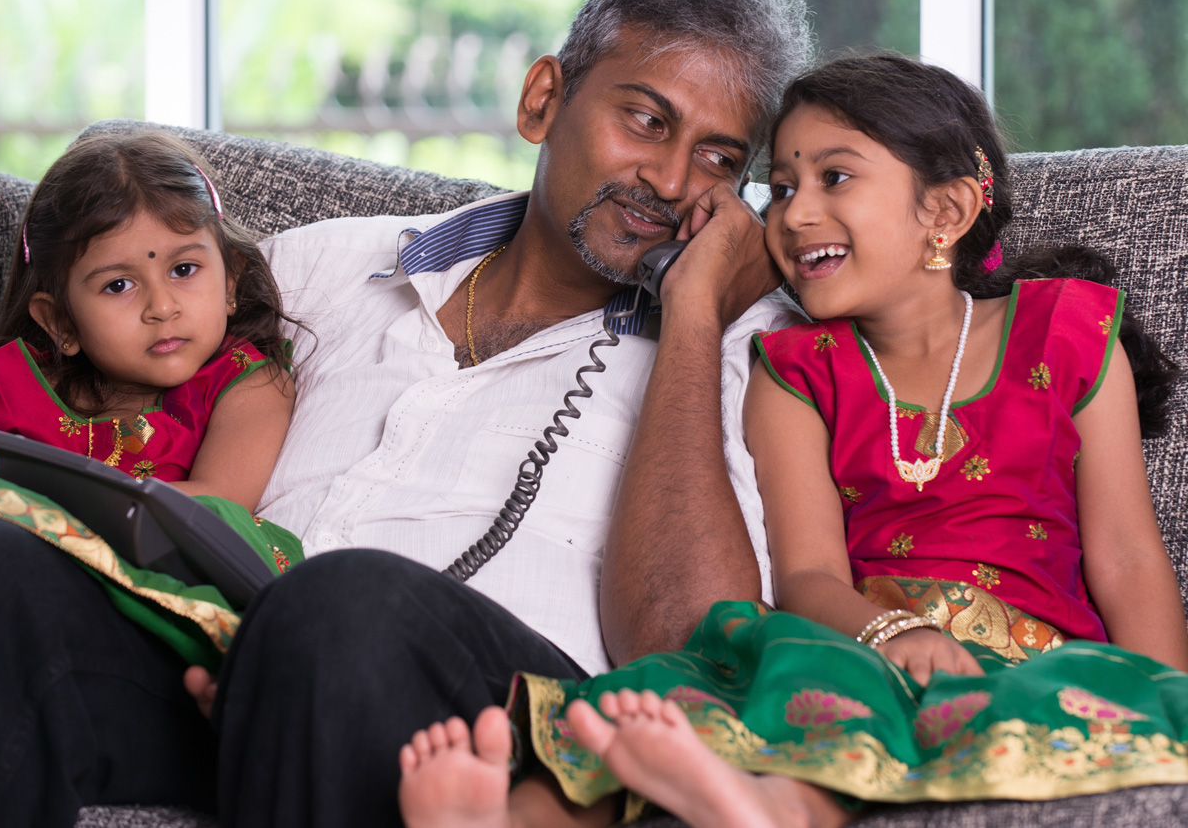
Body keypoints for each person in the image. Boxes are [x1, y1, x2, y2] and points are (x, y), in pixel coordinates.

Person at [0, 0, 811, 828]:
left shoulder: (748, 354)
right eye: (647, 120)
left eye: (720, 161)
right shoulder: (319, 268)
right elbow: (115, 405)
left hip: (504, 721)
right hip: (234, 661)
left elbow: (687, 642)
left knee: (339, 602)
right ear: (544, 100)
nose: (673, 181)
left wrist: (690, 317)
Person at [396, 54, 1188, 828]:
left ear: (944, 212)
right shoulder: (796, 370)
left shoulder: (1070, 332)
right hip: (864, 639)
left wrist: (1168, 703)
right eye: (779, 188)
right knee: (758, 679)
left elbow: (1126, 556)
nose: (794, 214)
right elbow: (808, 574)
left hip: (1034, 660)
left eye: (833, 178)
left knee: (860, 702)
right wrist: (890, 633)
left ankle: (770, 808)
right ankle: (515, 813)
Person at [0, 130, 295, 506]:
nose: (162, 308)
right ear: (59, 322)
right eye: (118, 285)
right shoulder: (8, 386)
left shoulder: (246, 384)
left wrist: (19, 487)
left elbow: (219, 503)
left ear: (229, 280)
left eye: (183, 269)